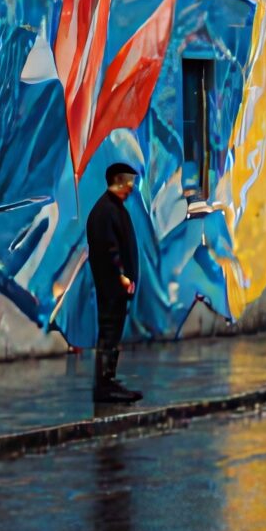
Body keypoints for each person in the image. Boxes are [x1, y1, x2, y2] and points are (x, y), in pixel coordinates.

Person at [85, 161, 143, 404]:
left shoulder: (114, 208)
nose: (131, 188)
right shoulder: (105, 211)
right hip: (111, 286)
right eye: (129, 181)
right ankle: (104, 385)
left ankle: (108, 380)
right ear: (118, 180)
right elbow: (108, 250)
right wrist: (121, 277)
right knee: (109, 331)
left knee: (113, 332)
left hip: (116, 286)